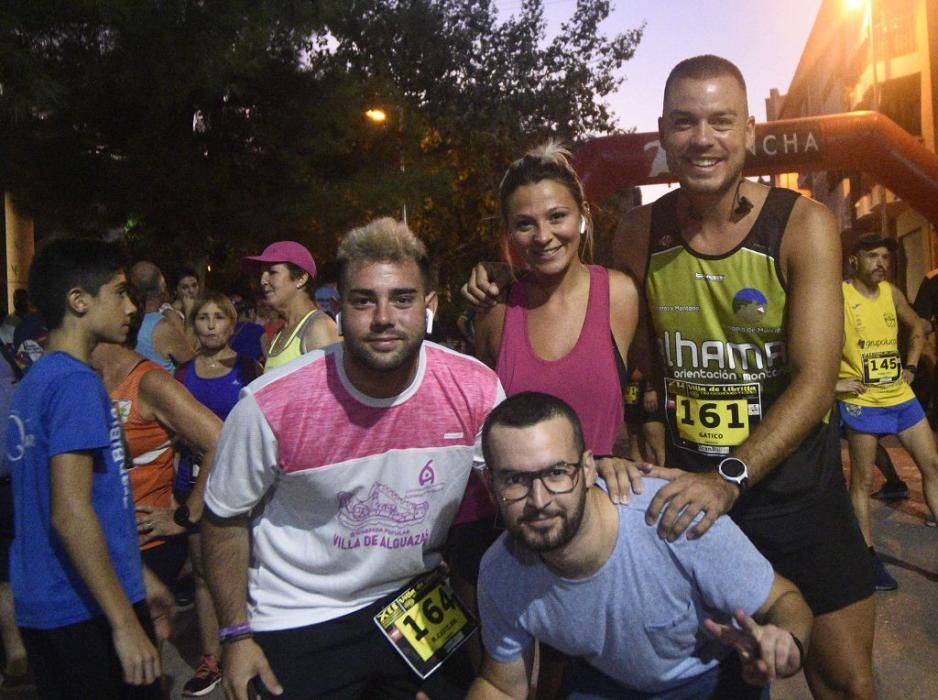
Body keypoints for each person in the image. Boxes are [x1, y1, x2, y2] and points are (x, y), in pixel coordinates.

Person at [464, 55, 873, 700]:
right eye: (684, 123)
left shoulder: (803, 224)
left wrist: (730, 477)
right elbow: (634, 350)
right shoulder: (638, 231)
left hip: (786, 485)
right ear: (661, 132)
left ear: (749, 132)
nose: (702, 139)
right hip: (685, 490)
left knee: (843, 680)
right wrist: (500, 270)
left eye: (720, 121)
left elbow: (818, 380)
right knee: (706, 670)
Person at [202, 218, 504, 700]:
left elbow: (515, 490)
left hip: (415, 599)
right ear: (338, 309)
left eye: (402, 299)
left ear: (429, 306)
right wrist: (235, 636)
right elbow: (223, 519)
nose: (384, 317)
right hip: (301, 612)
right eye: (364, 300)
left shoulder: (475, 388)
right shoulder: (270, 404)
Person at [470, 391, 812, 699]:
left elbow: (784, 600)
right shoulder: (501, 570)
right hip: (607, 682)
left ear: (589, 469)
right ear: (490, 483)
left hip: (711, 680)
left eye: (557, 473)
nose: (540, 500)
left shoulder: (674, 518)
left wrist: (785, 642)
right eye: (515, 480)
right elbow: (502, 685)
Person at [6, 239, 172, 698]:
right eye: (118, 293)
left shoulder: (34, 382)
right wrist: (123, 622)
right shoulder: (76, 384)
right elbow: (70, 512)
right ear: (78, 301)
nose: (130, 306)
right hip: (85, 610)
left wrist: (136, 575)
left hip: (45, 606)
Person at [836, 232, 938, 590]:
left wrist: (910, 367)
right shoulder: (838, 295)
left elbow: (918, 327)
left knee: (933, 466)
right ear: (854, 261)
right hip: (862, 401)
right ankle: (867, 558)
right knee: (861, 481)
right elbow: (805, 339)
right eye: (871, 256)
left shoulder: (892, 294)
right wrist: (834, 385)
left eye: (885, 257)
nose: (881, 263)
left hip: (899, 396)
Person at [173, 292, 260, 696]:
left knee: (246, 566)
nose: (209, 325)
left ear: (232, 323)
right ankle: (211, 658)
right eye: (202, 318)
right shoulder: (182, 373)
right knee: (203, 572)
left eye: (217, 317)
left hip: (240, 480)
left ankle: (247, 645)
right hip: (193, 482)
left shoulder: (248, 368)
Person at [241, 241, 338, 372]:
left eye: (272, 272)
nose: (263, 281)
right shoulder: (281, 332)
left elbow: (333, 390)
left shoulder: (318, 328)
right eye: (262, 273)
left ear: (301, 278)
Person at [130, 260, 195, 371]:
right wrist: (190, 315)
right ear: (162, 285)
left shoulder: (126, 322)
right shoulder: (162, 327)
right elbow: (191, 364)